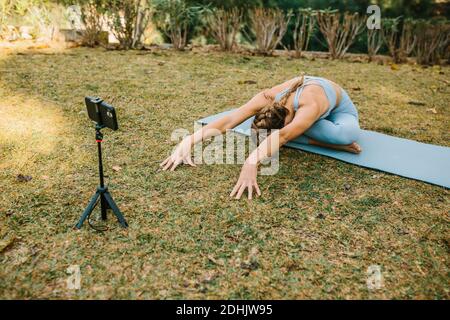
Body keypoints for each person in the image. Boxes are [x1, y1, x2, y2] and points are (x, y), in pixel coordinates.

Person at [160, 75, 362, 200]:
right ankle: (308, 136)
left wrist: (251, 163)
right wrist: (189, 140)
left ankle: (330, 142)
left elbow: (283, 135)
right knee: (288, 134)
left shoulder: (309, 105)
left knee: (343, 136)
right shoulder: (266, 99)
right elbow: (229, 120)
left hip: (339, 111)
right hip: (297, 119)